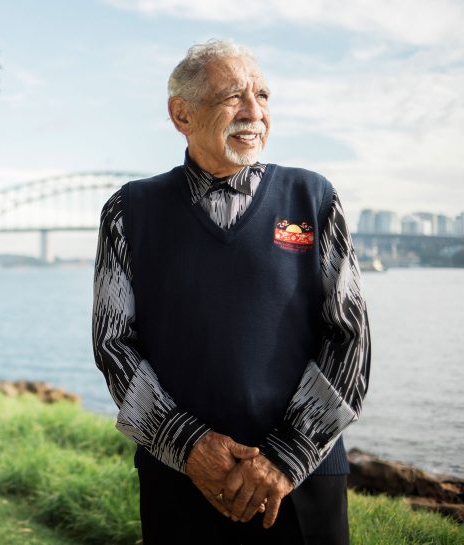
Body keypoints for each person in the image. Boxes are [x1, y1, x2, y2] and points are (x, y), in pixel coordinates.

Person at [92, 39, 371, 545]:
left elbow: (350, 339)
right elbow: (113, 344)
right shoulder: (128, 210)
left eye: (262, 95)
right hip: (180, 479)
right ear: (182, 114)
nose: (254, 112)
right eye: (233, 97)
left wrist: (284, 458)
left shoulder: (313, 196)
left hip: (303, 480)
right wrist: (188, 445)